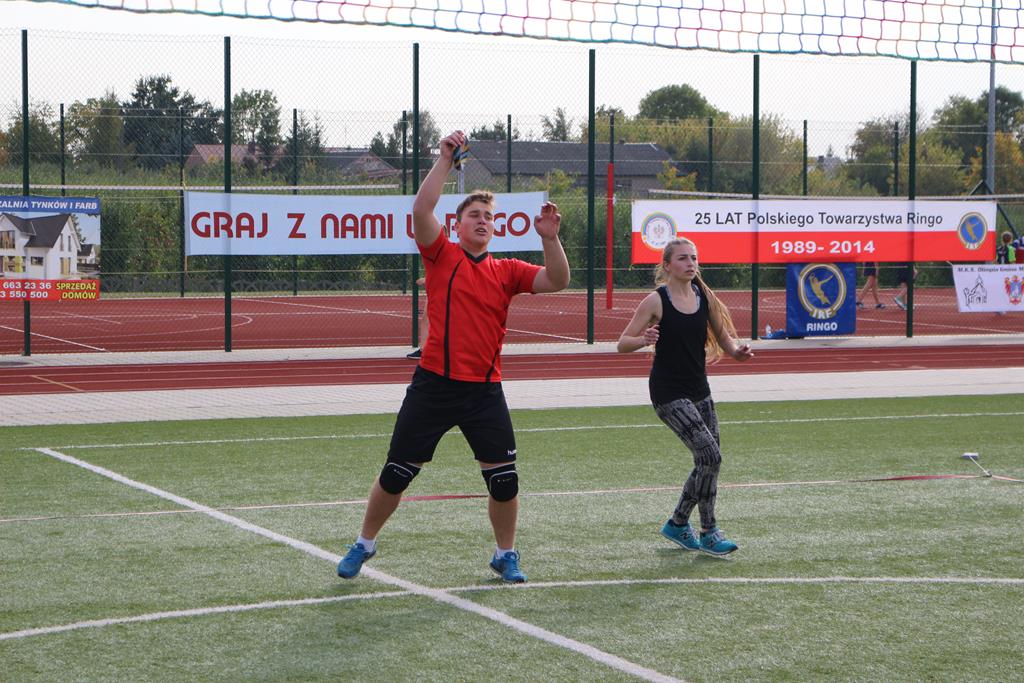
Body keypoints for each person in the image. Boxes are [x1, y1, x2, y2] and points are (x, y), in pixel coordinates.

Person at [337, 130, 570, 583]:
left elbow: (558, 280)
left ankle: (505, 554)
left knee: (504, 480)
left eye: (489, 217)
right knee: (396, 473)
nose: (483, 221)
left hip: (484, 392)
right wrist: (445, 159)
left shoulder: (507, 270)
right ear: (457, 225)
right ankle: (364, 543)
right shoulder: (441, 256)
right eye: (474, 215)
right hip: (434, 386)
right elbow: (421, 211)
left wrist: (550, 239)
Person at [616, 237, 753, 556]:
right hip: (668, 392)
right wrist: (643, 339)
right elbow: (622, 343)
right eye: (682, 258)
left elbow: (723, 336)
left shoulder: (704, 295)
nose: (690, 263)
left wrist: (737, 352)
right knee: (711, 457)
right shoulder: (655, 301)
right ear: (667, 266)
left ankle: (678, 523)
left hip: (699, 389)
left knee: (708, 461)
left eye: (693, 258)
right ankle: (709, 531)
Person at [406, 276, 428, 359]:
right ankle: (423, 350)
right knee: (426, 319)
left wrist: (427, 279)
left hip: (443, 289)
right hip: (435, 289)